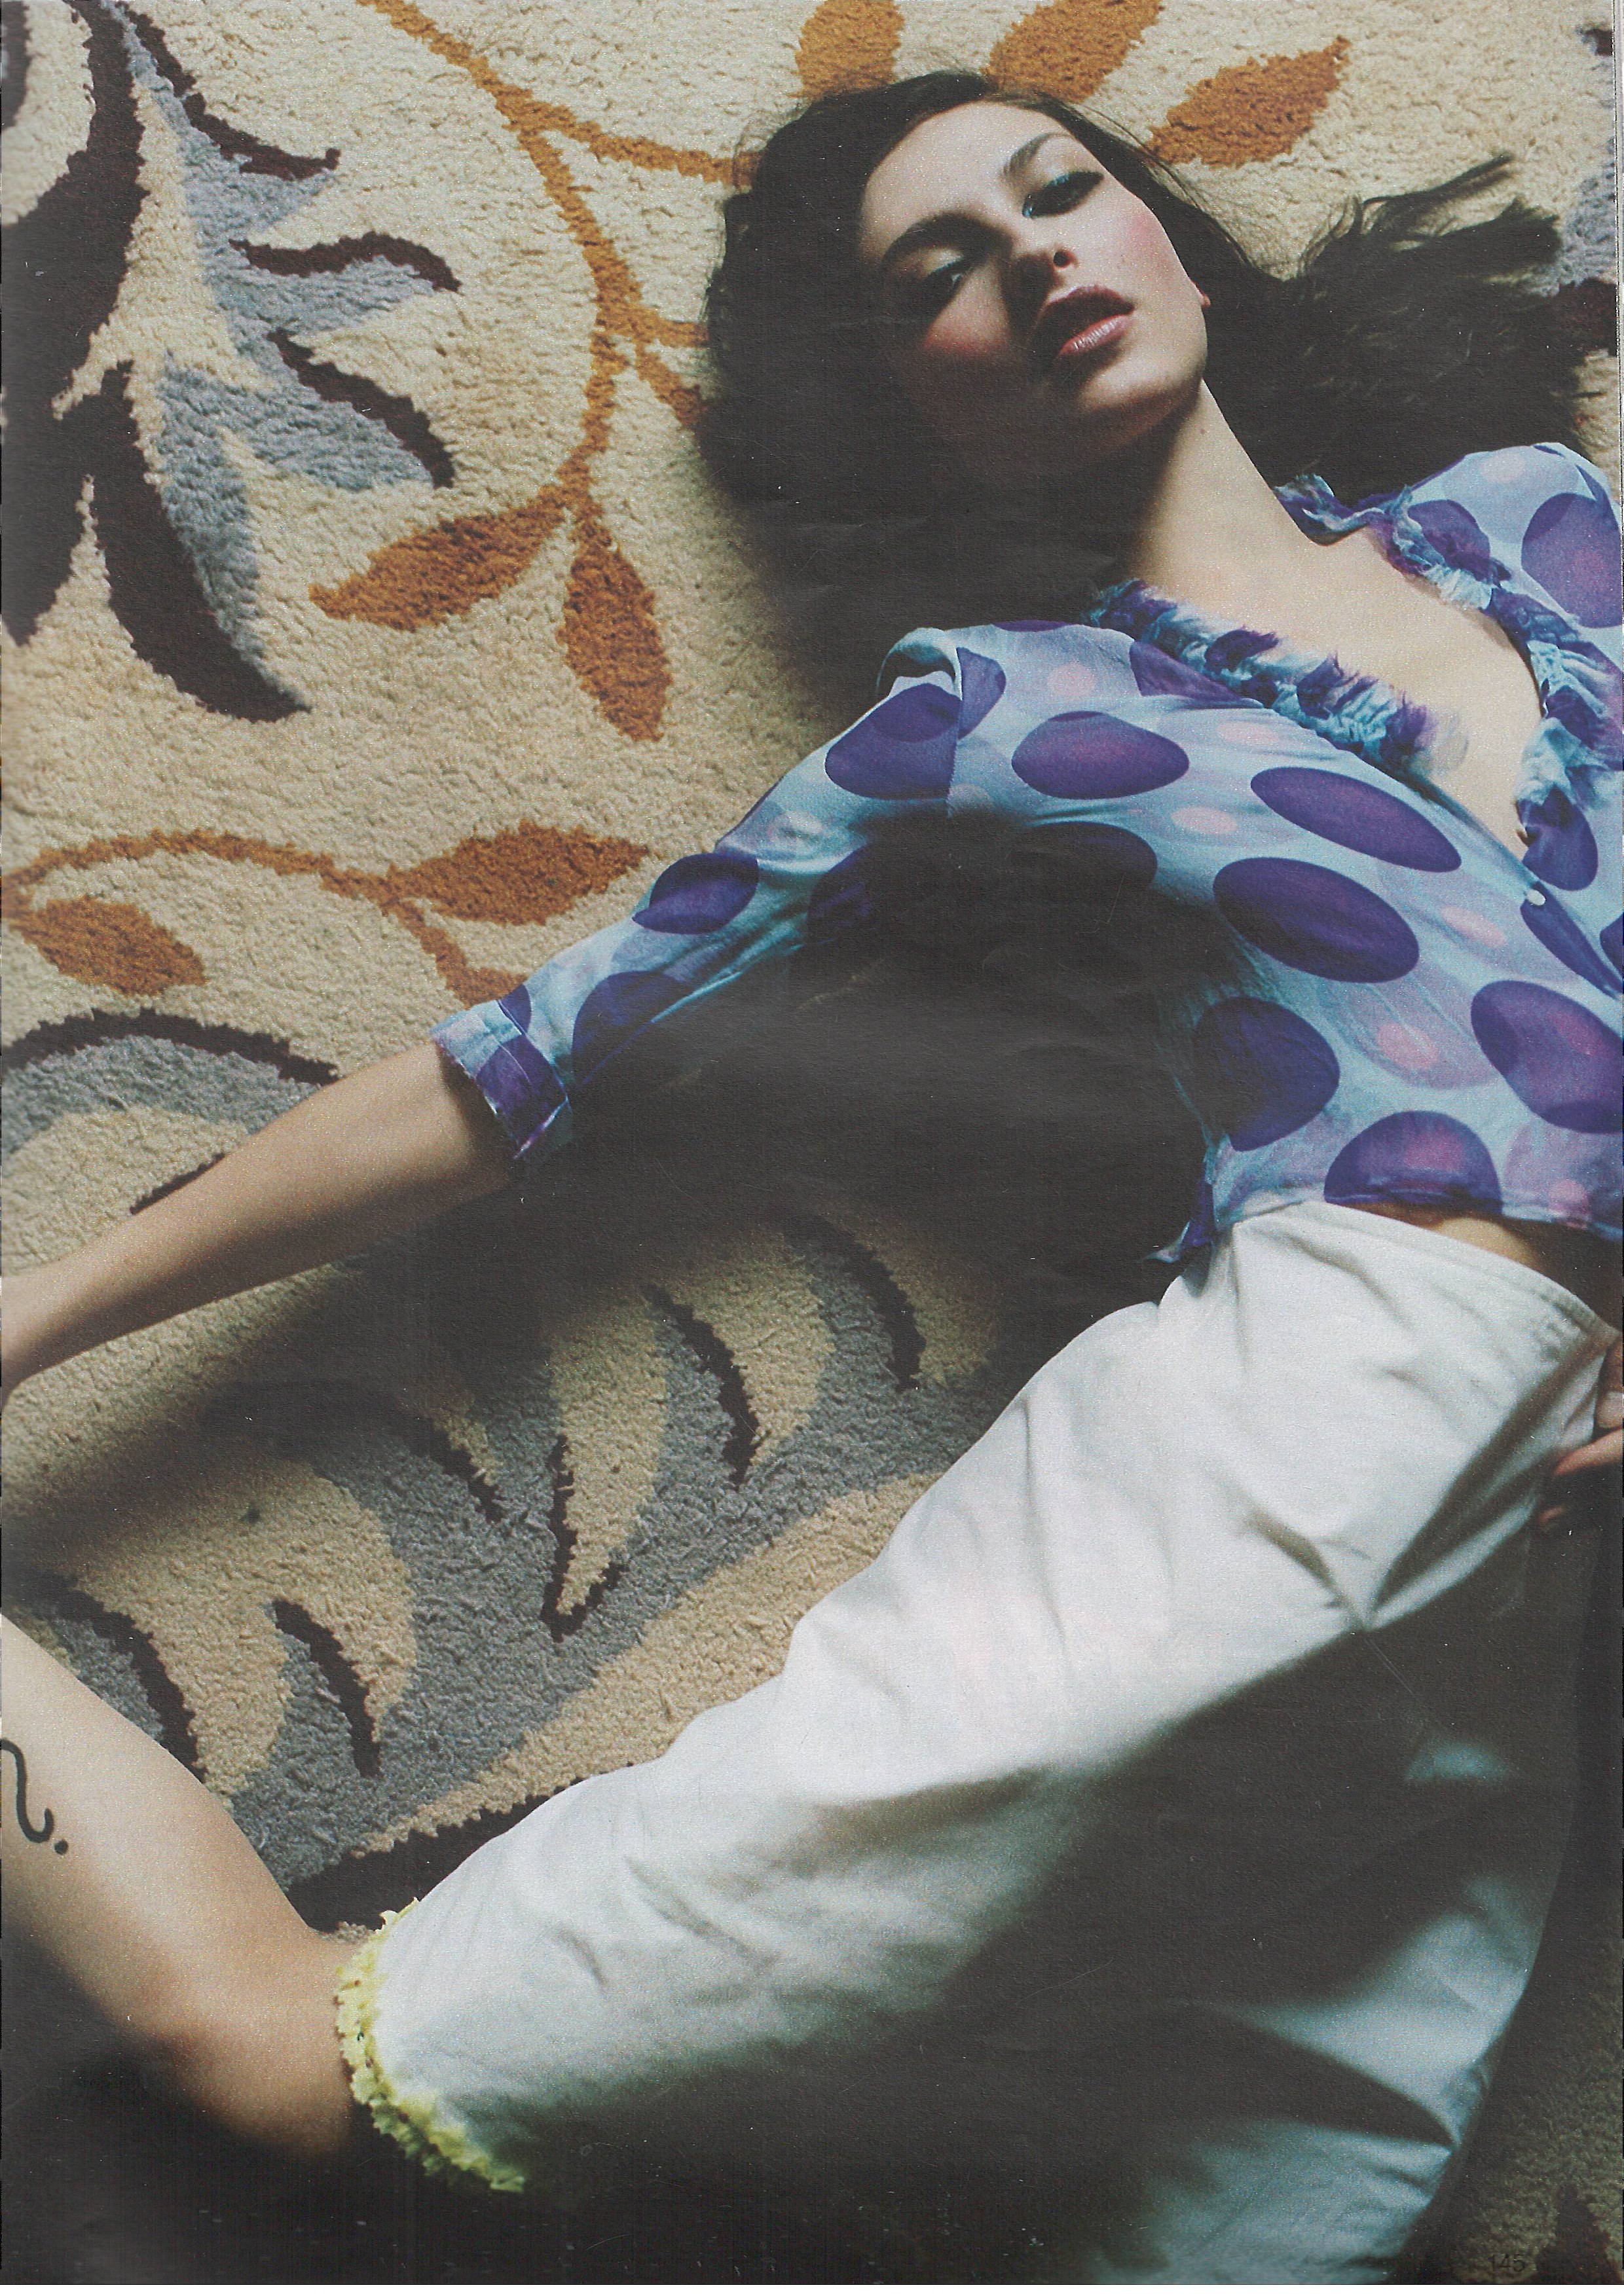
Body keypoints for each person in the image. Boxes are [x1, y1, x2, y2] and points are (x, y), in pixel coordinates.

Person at [4, 69, 1620, 2282]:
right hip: (1300, 1440)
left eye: (1060, 192)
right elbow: (512, 1069)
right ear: (907, 404)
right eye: (941, 268)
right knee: (293, 2062)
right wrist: (31, 1317)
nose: (1034, 256)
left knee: (1262, 2233)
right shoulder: (990, 715)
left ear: (1165, 232)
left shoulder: (1539, 522)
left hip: (1522, 1592)